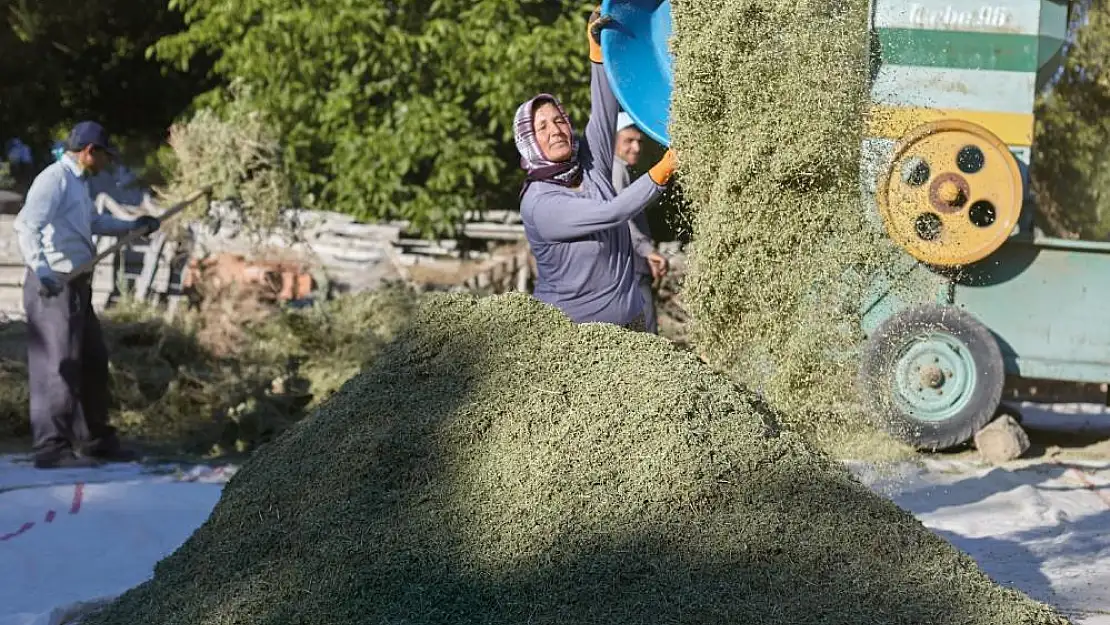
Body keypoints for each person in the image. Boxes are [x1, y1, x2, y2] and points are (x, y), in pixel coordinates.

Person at [12, 121, 161, 469]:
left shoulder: (78, 184)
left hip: (77, 285)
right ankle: (51, 447)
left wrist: (132, 226)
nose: (108, 163)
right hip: (53, 286)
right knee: (57, 365)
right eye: (105, 156)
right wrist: (44, 271)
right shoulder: (54, 179)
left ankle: (95, 441)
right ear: (89, 151)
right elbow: (25, 226)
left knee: (93, 361)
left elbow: (90, 223)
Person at [515, 10, 677, 330]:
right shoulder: (539, 203)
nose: (556, 130)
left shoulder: (590, 165)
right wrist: (662, 171)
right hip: (575, 339)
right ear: (529, 142)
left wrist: (599, 53)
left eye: (558, 119)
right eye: (542, 127)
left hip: (631, 326)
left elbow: (604, 110)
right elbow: (609, 213)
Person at [611, 112, 668, 334]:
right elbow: (622, 216)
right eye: (628, 141)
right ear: (613, 141)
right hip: (631, 265)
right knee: (646, 334)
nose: (635, 147)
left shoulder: (624, 170)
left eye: (639, 141)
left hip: (632, 262)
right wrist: (647, 250)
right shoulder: (617, 171)